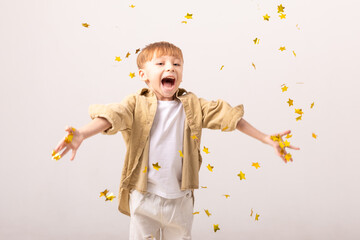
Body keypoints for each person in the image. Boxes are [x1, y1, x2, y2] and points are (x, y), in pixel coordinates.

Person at [53, 41, 300, 239]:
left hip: (180, 200)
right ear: (143, 75)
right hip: (144, 196)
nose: (170, 68)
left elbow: (229, 117)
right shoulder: (135, 104)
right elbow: (112, 116)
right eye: (160, 63)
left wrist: (265, 138)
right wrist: (83, 133)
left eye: (176, 64)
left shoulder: (193, 105)